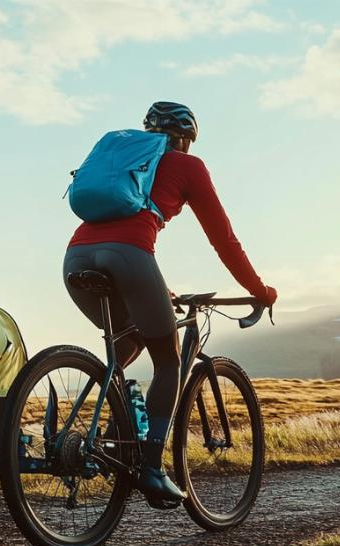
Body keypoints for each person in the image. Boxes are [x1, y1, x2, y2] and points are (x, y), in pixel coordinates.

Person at [63, 101, 277, 508]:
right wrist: (259, 289)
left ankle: (104, 432)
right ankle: (151, 467)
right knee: (167, 362)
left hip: (74, 257)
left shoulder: (124, 162)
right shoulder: (187, 166)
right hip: (129, 256)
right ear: (186, 139)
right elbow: (224, 241)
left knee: (123, 348)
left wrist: (156, 290)